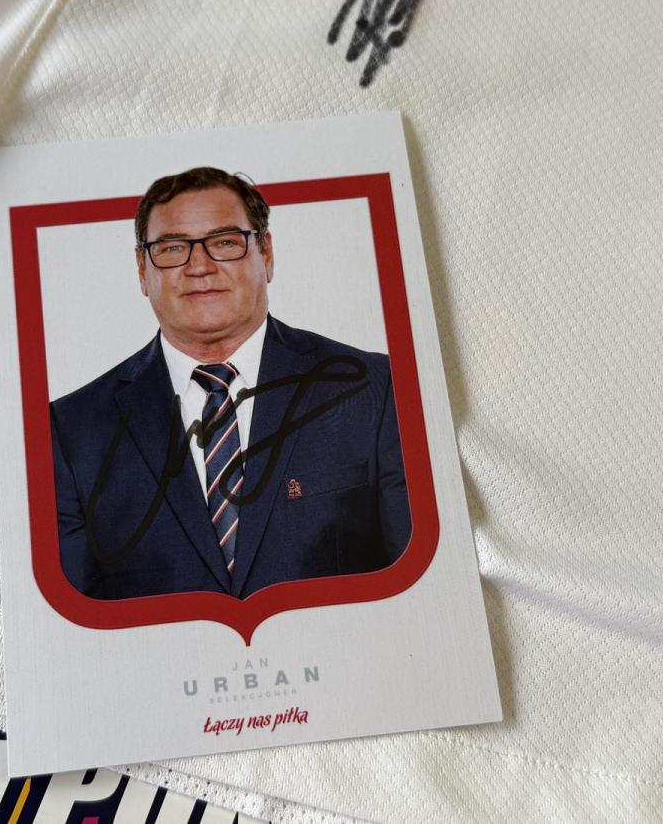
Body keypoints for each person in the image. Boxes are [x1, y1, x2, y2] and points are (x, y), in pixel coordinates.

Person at [50, 167, 411, 600]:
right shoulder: (70, 430)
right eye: (172, 248)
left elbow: (417, 582)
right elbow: (70, 616)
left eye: (224, 242)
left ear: (266, 253)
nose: (200, 266)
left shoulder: (375, 388)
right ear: (142, 270)